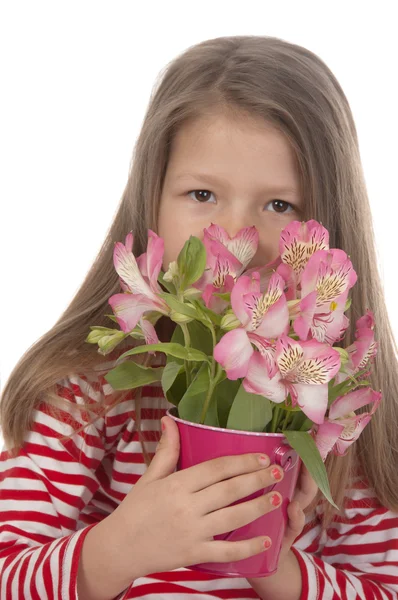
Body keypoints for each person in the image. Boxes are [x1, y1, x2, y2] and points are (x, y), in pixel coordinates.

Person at [1, 35, 397, 600]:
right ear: (151, 199)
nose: (239, 237)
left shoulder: (345, 410)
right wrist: (123, 546)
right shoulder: (85, 392)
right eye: (203, 193)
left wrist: (277, 568)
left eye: (280, 205)